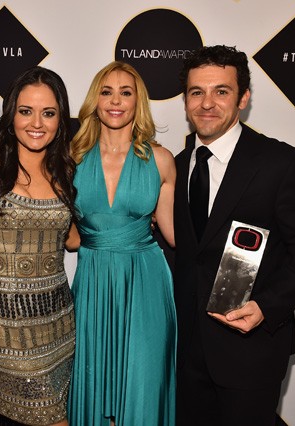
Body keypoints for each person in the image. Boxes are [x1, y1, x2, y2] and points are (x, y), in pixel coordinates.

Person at [173, 45, 295, 426]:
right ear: (185, 100)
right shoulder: (173, 168)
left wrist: (266, 306)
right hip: (183, 353)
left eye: (221, 91)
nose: (207, 103)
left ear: (243, 98)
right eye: (197, 92)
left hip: (250, 351)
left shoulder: (281, 163)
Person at [67, 61, 177, 425]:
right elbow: (67, 237)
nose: (116, 101)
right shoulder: (71, 159)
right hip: (93, 283)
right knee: (92, 383)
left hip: (145, 282)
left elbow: (175, 235)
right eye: (106, 91)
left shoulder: (160, 161)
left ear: (138, 102)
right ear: (95, 100)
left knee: (143, 385)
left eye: (125, 92)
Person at [0, 66, 77, 426]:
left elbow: (75, 238)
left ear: (60, 119)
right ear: (11, 115)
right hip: (10, 326)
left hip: (60, 319)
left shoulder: (67, 173)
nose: (37, 123)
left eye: (48, 113)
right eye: (25, 111)